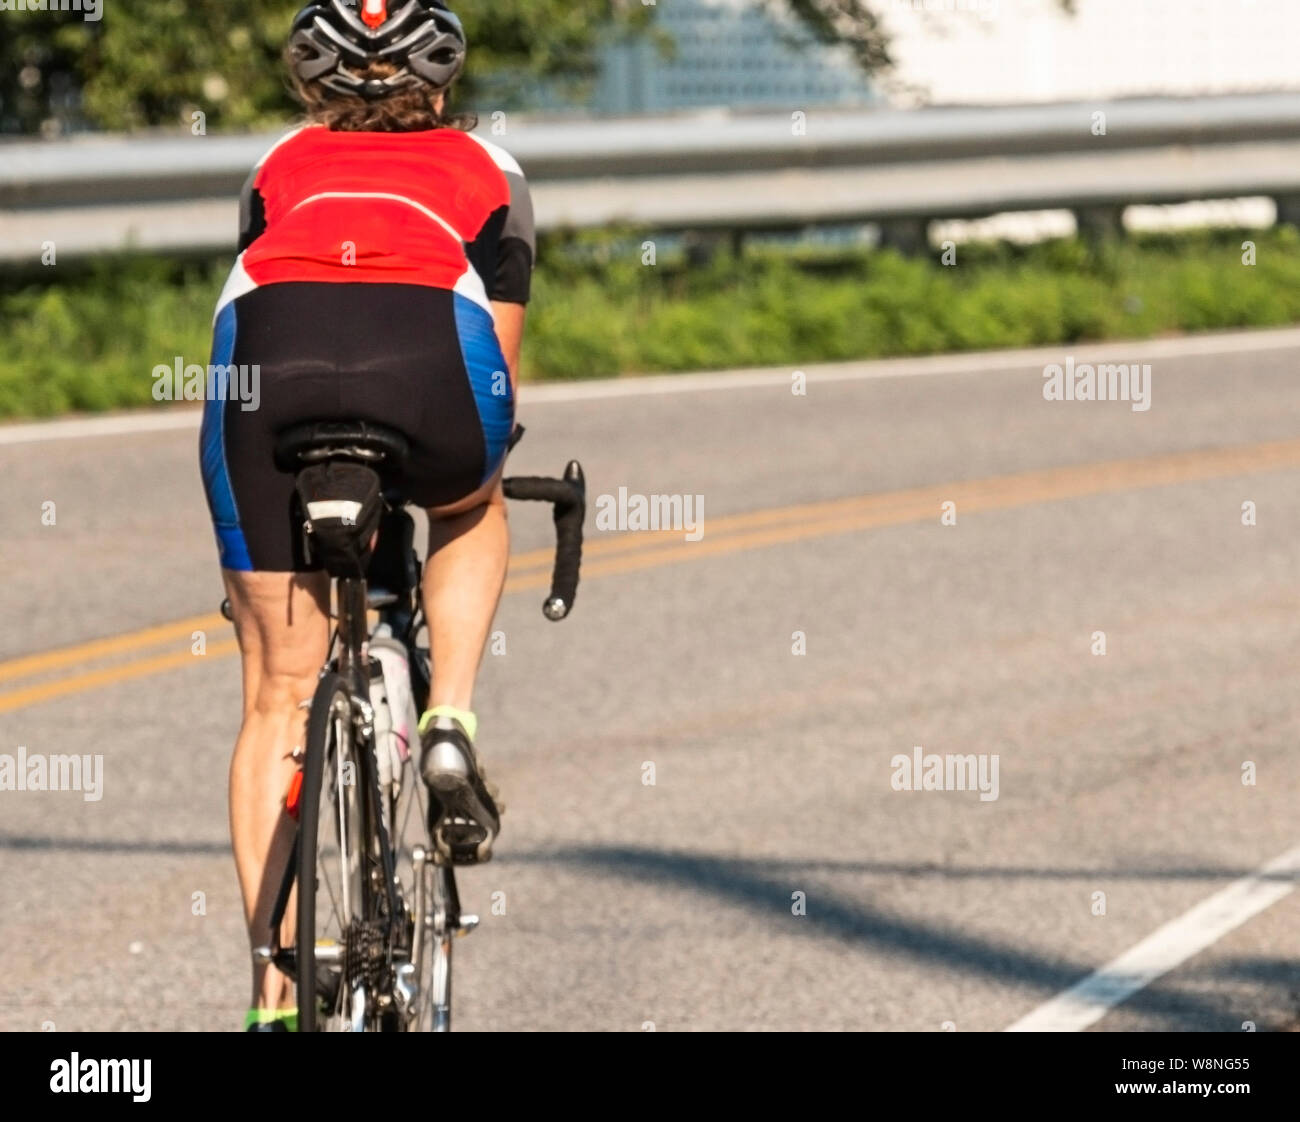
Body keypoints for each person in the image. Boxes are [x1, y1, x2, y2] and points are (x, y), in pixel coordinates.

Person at [197, 0, 534, 1032]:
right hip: (430, 356)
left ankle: (273, 994)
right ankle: (448, 721)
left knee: (273, 699)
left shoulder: (277, 165)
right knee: (472, 503)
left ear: (311, 83)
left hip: (268, 361)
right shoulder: (495, 173)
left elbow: (270, 277)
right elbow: (503, 371)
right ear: (442, 83)